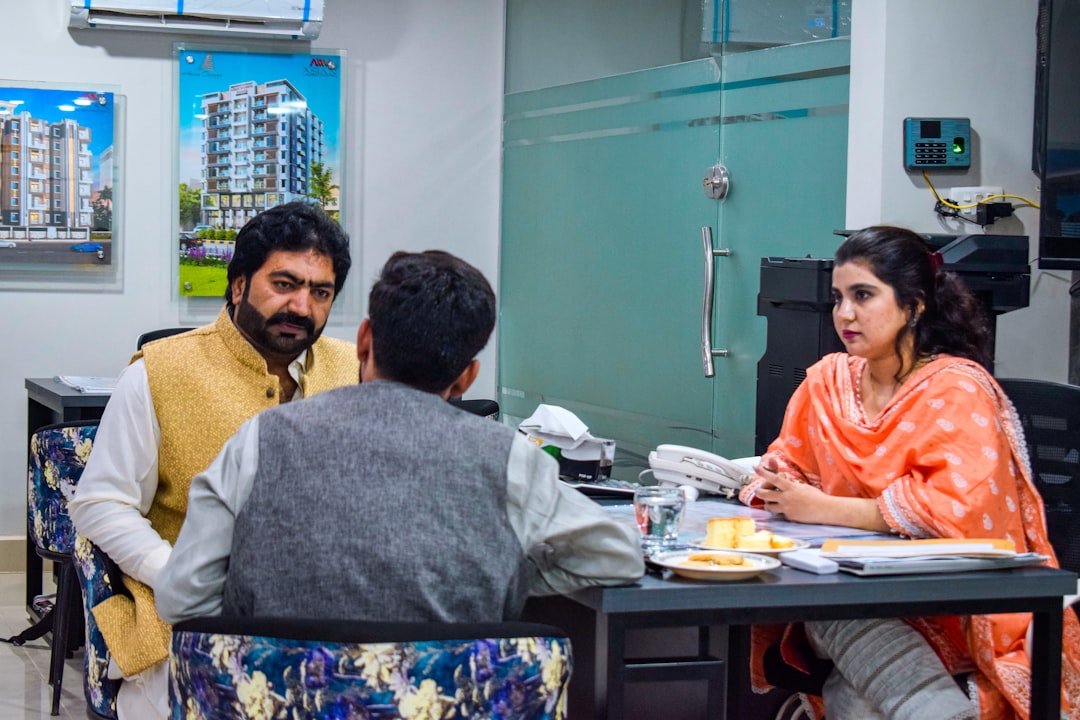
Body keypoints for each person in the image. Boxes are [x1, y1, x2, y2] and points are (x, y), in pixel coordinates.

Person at [155, 250, 644, 627]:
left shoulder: (260, 440)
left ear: (363, 341)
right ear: (468, 377)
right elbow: (617, 558)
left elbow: (182, 598)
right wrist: (503, 570)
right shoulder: (512, 459)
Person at [740, 226, 1080, 720]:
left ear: (914, 305)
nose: (845, 314)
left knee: (854, 697)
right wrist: (768, 485)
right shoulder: (827, 382)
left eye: (863, 295)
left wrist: (824, 508)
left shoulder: (957, 389)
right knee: (833, 610)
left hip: (949, 603)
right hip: (840, 589)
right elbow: (786, 467)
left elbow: (955, 509)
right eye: (837, 298)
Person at [69, 201, 360, 720]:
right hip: (191, 622)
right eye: (284, 284)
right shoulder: (161, 371)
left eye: (320, 292)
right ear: (238, 284)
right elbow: (100, 503)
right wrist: (179, 574)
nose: (302, 306)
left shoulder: (351, 368)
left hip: (326, 617)